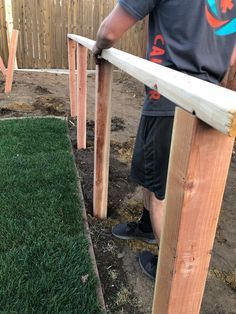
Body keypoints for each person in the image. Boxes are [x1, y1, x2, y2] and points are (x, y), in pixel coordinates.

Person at [92, 0, 236, 280]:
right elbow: (231, 58)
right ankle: (147, 227)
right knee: (152, 173)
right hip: (210, 98)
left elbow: (109, 32)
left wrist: (98, 48)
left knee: (163, 194)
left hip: (169, 97)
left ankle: (169, 271)